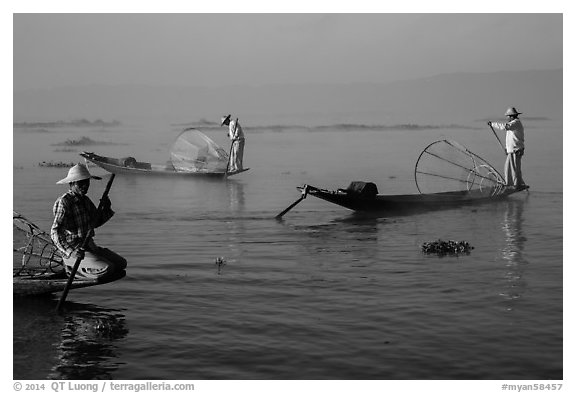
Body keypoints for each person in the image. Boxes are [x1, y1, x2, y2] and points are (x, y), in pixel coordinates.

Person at [51, 163, 127, 280]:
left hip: (90, 247)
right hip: (75, 250)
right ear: (72, 184)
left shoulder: (85, 200)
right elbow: (55, 232)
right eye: (81, 183)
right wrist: (71, 252)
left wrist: (106, 208)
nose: (85, 186)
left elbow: (95, 223)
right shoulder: (64, 202)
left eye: (86, 182)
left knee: (121, 264)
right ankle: (72, 268)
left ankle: (89, 263)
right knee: (108, 268)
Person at [487, 107, 528, 190]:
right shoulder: (514, 124)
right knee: (509, 168)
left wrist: (492, 124)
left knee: (513, 169)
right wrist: (507, 149)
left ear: (512, 116)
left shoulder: (515, 123)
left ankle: (515, 185)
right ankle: (513, 184)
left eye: (508, 116)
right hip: (513, 150)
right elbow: (511, 138)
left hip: (516, 150)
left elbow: (505, 127)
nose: (507, 118)